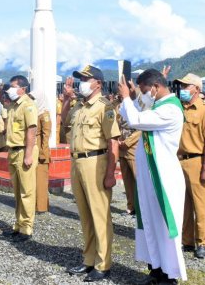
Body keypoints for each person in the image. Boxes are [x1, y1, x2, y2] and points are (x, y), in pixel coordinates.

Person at [118, 68, 186, 284]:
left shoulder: (171, 109)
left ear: (156, 87)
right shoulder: (157, 105)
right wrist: (132, 96)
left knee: (164, 226)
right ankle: (156, 268)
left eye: (146, 90)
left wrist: (126, 97)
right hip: (150, 174)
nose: (145, 94)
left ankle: (169, 274)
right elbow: (129, 112)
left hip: (164, 176)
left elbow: (136, 119)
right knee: (149, 221)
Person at [62, 66, 120, 282]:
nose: (81, 83)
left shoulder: (104, 107)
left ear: (98, 83)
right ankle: (88, 260)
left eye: (86, 79)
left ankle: (103, 264)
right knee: (85, 215)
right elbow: (65, 124)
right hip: (77, 162)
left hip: (96, 162)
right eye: (80, 79)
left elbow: (113, 141)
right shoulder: (79, 105)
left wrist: (110, 173)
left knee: (100, 215)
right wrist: (67, 100)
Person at [173, 73, 205, 259]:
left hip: (196, 160)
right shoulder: (177, 108)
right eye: (181, 86)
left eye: (186, 86)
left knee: (199, 204)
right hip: (178, 160)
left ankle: (203, 242)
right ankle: (187, 240)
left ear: (197, 89)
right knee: (184, 204)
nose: (182, 89)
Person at [0, 75, 39, 243]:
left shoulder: (28, 105)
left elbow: (32, 131)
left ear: (22, 88)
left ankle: (26, 228)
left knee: (26, 191)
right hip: (14, 151)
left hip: (24, 151)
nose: (10, 89)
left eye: (13, 86)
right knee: (17, 191)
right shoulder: (14, 106)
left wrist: (29, 154)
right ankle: (18, 224)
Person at [32, 89, 52, 214]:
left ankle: (41, 206)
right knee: (34, 179)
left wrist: (43, 153)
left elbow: (46, 134)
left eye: (34, 99)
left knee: (40, 180)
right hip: (34, 147)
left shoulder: (44, 114)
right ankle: (35, 204)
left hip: (40, 149)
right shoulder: (36, 112)